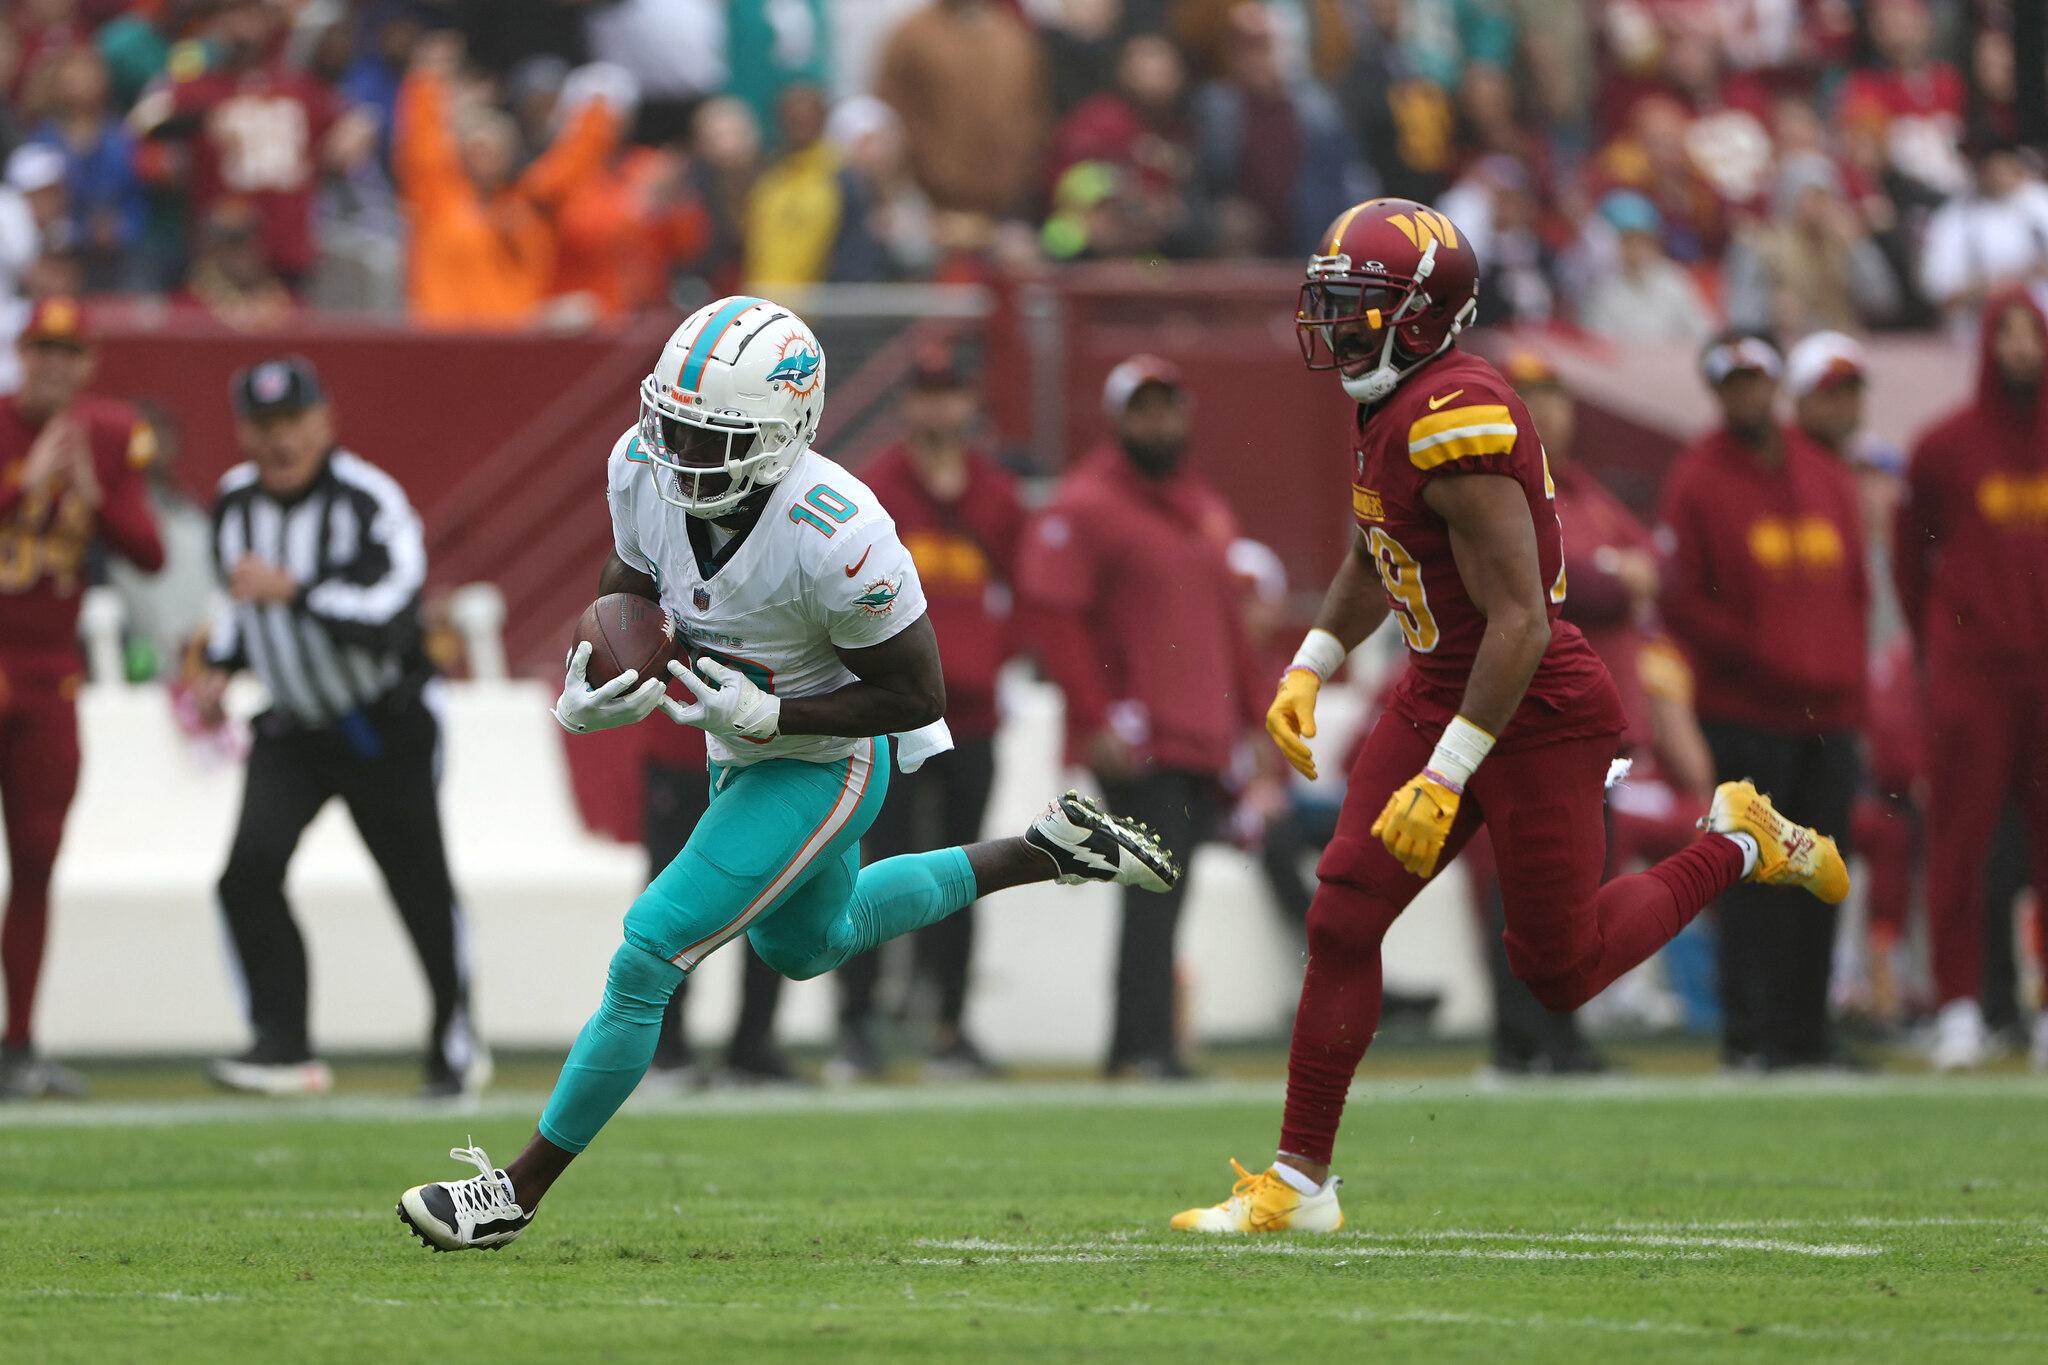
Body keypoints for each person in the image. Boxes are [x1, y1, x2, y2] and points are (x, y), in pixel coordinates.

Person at [394, 297, 1179, 1252]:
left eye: (710, 435)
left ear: (785, 433)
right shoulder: (641, 465)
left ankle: (510, 1193)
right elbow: (632, 578)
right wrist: (593, 677)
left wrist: (780, 714)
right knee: (810, 943)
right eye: (672, 423)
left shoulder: (837, 528)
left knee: (649, 948)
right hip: (745, 749)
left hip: (829, 759)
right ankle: (1041, 850)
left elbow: (916, 693)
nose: (678, 452)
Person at [1170, 199, 1847, 1235]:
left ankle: (1735, 843)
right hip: (1444, 684)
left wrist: (1444, 777)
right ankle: (1298, 1183)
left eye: (1357, 308)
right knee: (1343, 908)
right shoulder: (1393, 403)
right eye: (1335, 304)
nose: (1335, 326)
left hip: (1535, 707)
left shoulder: (1459, 418)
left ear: (1421, 317)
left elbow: (1522, 623)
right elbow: (1374, 548)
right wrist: (1312, 660)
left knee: (1558, 968)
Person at [193, 355, 484, 1099]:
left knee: (419, 885)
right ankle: (282, 1043)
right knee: (246, 874)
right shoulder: (233, 503)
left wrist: (292, 592)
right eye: (262, 426)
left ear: (324, 421)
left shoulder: (368, 500)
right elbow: (236, 603)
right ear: (241, 433)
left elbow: (389, 613)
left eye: (291, 421)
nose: (279, 440)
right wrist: (219, 664)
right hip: (294, 726)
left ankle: (454, 1040)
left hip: (382, 723)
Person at [1019, 354, 1264, 1079]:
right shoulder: (1086, 503)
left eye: (1168, 407)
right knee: (1151, 887)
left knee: (1170, 888)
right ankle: (1140, 1044)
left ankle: (1149, 1040)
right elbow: (1057, 618)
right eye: (1143, 409)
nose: (1158, 422)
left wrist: (1256, 719)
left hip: (1202, 733)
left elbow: (1231, 622)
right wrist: (1095, 716)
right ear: (1118, 418)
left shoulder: (1203, 507)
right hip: (1141, 733)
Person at [1657, 332, 1868, 1072]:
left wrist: (1845, 676)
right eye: (1734, 382)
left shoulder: (1824, 473)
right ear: (1717, 392)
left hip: (1827, 714)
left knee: (1820, 875)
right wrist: (1763, 653)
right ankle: (1749, 1035)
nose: (1748, 394)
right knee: (1751, 876)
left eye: (1758, 379)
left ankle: (1808, 1034)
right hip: (1744, 712)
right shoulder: (1696, 479)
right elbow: (1681, 598)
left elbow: (1853, 590)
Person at [832, 343, 1024, 1081]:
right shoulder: (875, 489)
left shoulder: (995, 495)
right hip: (889, 713)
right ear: (908, 403)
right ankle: (858, 1022)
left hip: (970, 714)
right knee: (871, 868)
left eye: (951, 392)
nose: (939, 408)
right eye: (928, 392)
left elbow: (1026, 589)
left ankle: (949, 1024)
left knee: (963, 868)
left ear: (969, 403)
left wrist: (989, 655)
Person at [0, 298, 163, 1099]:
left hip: (51, 670)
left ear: (87, 363)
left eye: (71, 354)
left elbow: (151, 551)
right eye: (43, 351)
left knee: (36, 858)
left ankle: (20, 1041)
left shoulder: (106, 432)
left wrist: (94, 494)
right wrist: (19, 485)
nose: (56, 367)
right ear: (23, 354)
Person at [1893, 288, 2048, 1071]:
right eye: (2009, 333)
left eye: (2034, 333)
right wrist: (1942, 645)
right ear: (1989, 344)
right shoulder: (1944, 447)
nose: (2023, 347)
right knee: (1959, 840)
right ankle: (1956, 1005)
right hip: (1975, 676)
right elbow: (1906, 553)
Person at [640, 723, 794, 1088]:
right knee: (675, 903)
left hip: (766, 753)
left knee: (770, 894)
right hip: (687, 750)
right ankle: (664, 1044)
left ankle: (753, 1042)